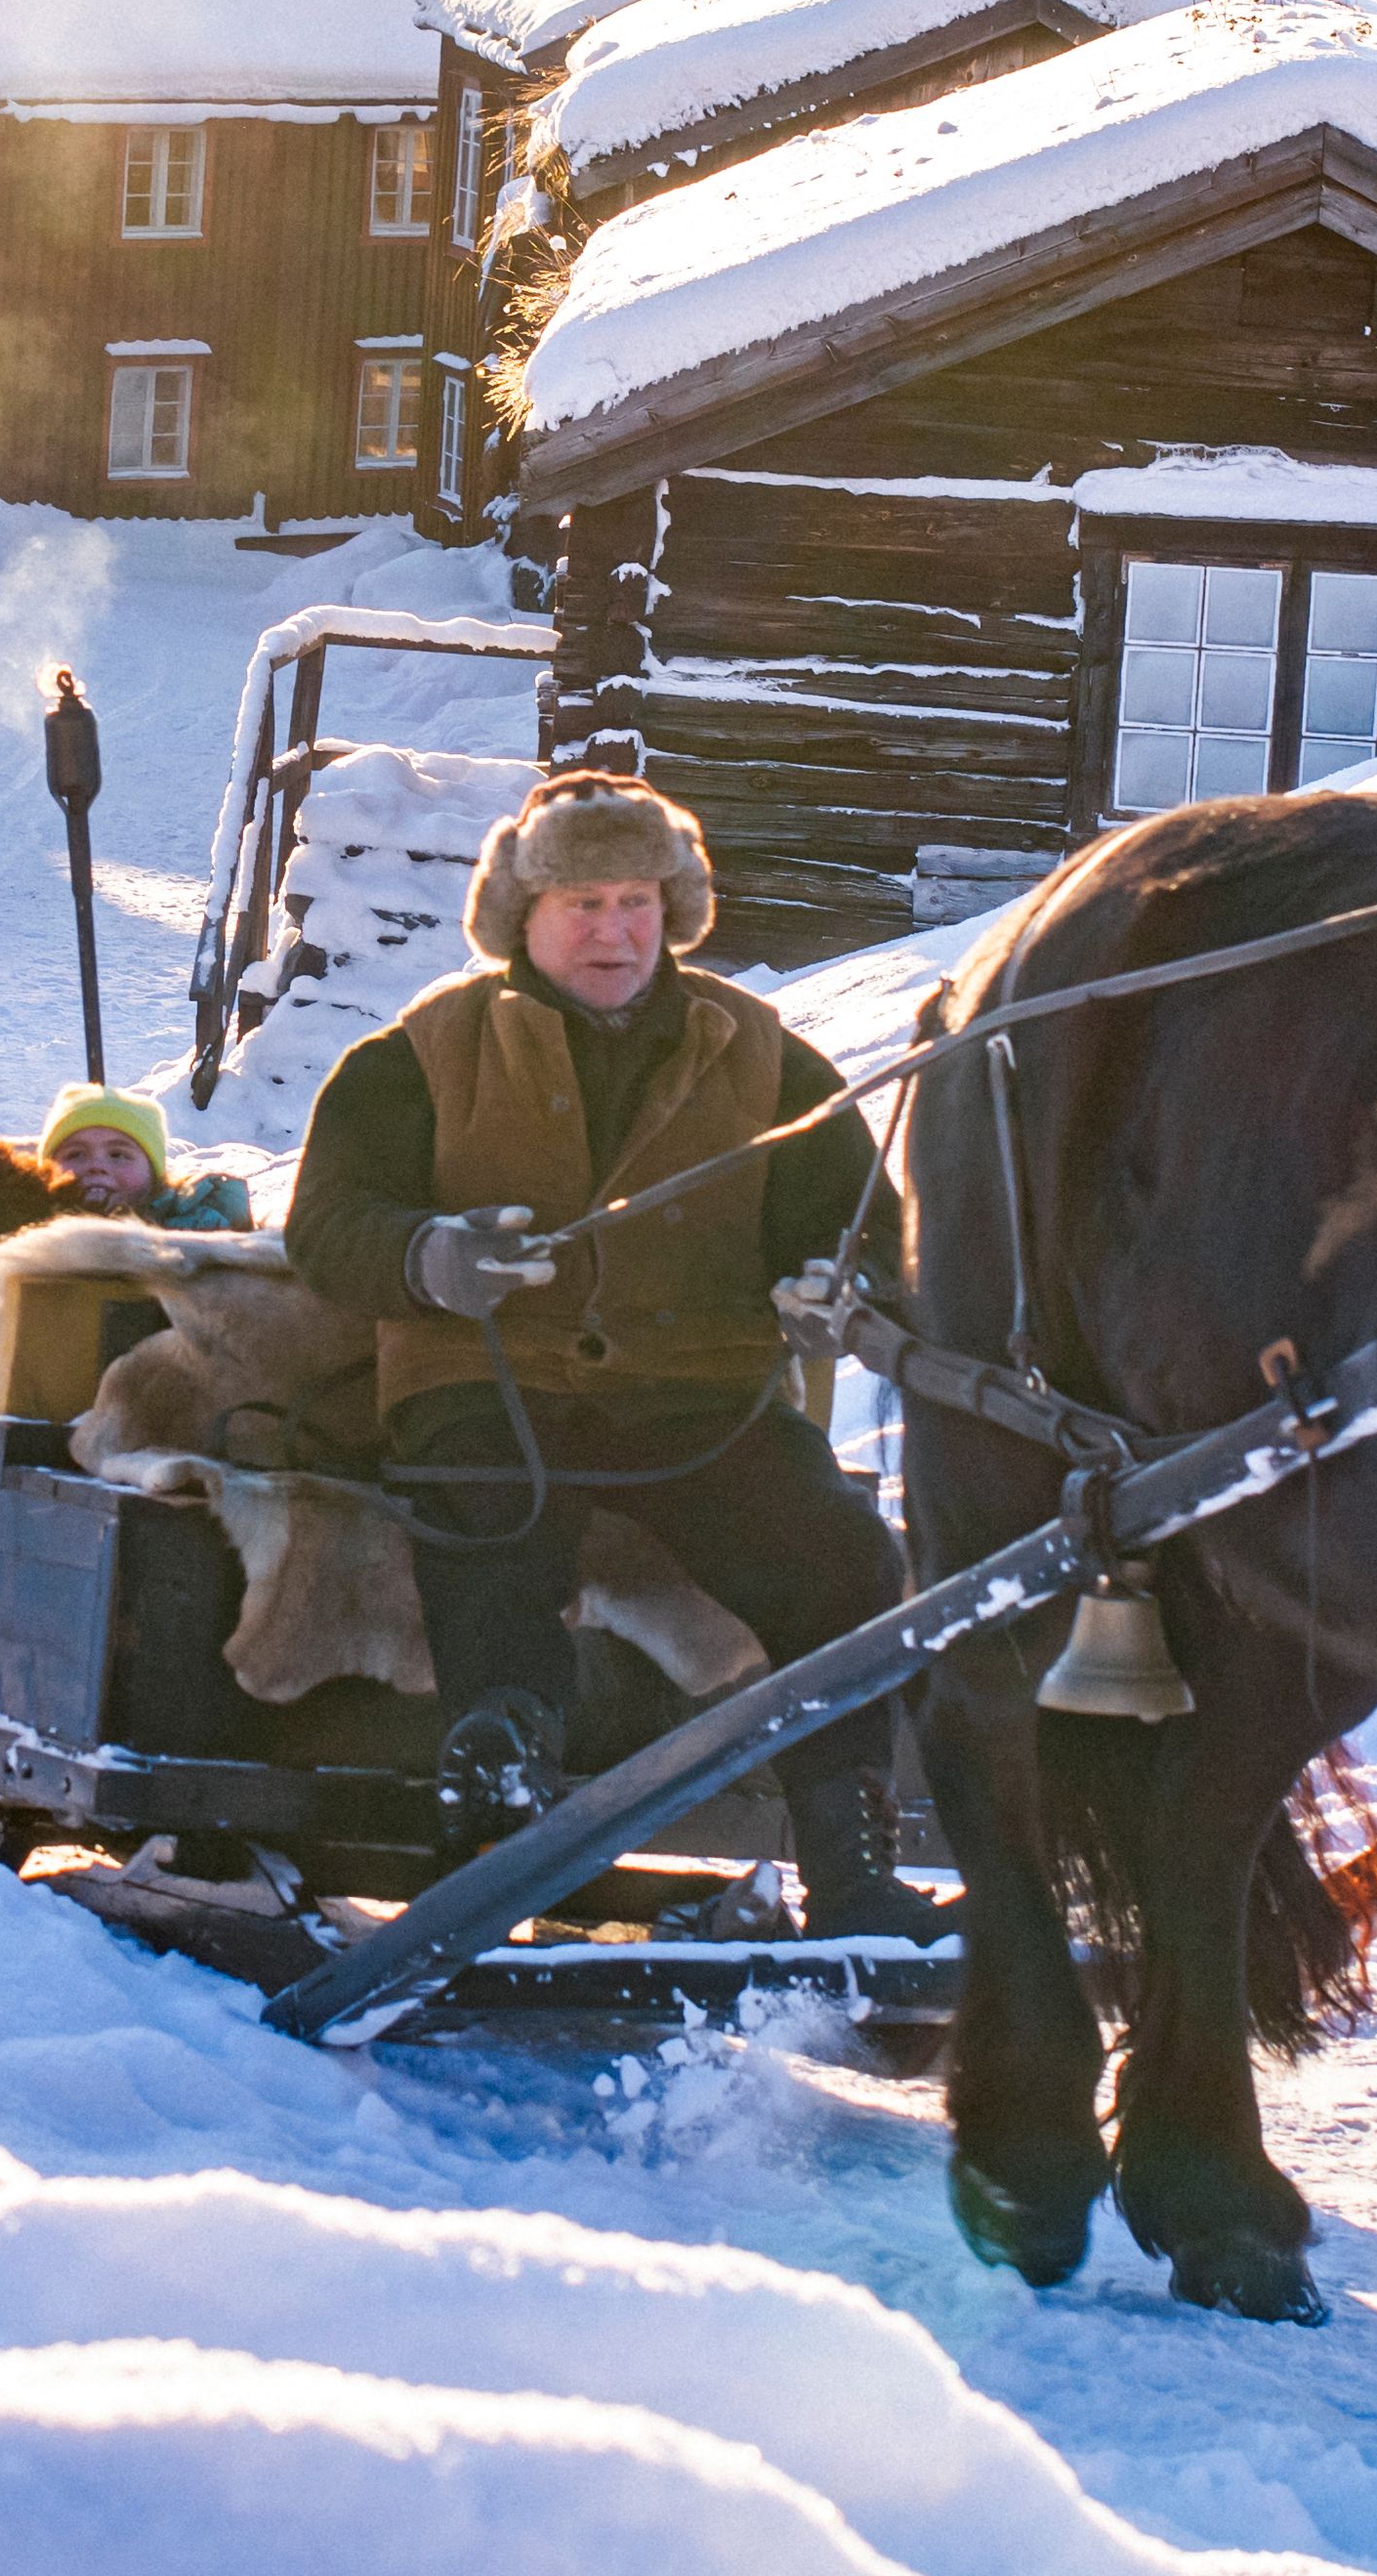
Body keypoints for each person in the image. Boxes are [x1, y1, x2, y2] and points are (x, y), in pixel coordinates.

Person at [283, 772, 916, 1923]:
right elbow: (326, 1223)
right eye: (581, 903)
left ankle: (852, 1858)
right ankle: (496, 1821)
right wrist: (427, 1257)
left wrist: (846, 1286)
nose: (614, 930)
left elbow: (863, 1219)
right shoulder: (422, 1051)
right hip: (485, 1380)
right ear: (515, 917)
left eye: (635, 899)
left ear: (673, 909)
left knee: (839, 1554)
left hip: (700, 1397)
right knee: (494, 1531)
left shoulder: (767, 1055)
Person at [40, 1084, 254, 1231]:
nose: (96, 1166)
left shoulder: (199, 1228)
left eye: (117, 1155)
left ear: (155, 1173)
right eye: (75, 1154)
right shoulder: (27, 1232)